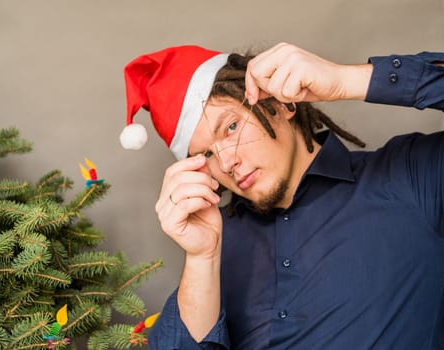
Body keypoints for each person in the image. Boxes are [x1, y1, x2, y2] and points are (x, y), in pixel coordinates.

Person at [120, 43, 444, 349]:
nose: (226, 163)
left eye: (230, 127)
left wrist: (347, 79)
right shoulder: (214, 249)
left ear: (280, 104)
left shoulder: (408, 174)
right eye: (205, 155)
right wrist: (202, 260)